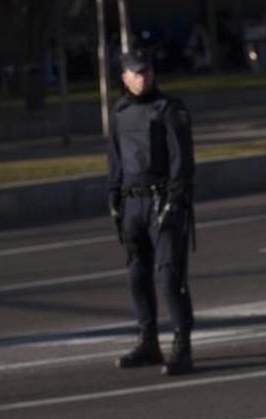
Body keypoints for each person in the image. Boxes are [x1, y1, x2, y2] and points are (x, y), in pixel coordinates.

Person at [107, 49, 196, 376]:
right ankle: (148, 343)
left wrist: (176, 200)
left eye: (146, 71)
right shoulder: (119, 111)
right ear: (124, 77)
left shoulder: (169, 110)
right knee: (137, 276)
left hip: (163, 203)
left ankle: (182, 347)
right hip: (132, 204)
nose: (142, 77)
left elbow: (182, 162)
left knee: (170, 276)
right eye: (136, 72)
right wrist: (113, 196)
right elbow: (114, 160)